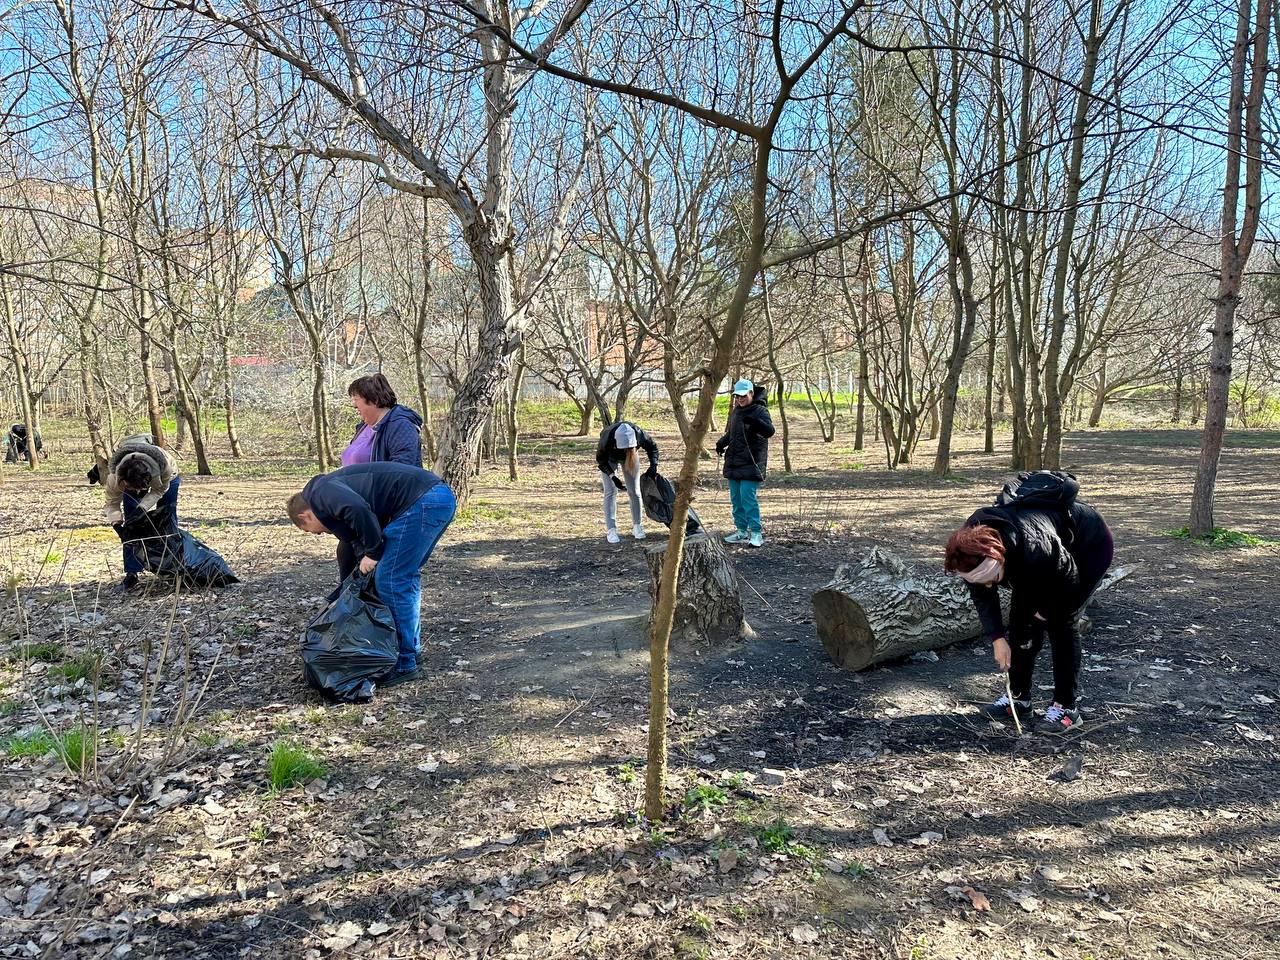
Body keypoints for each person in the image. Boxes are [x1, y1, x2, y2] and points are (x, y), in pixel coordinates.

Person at [943, 472, 1114, 734]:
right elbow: (982, 593)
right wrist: (997, 637)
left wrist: (1048, 610)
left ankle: (1066, 707)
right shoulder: (967, 553)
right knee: (1021, 623)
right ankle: (1019, 699)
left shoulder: (1036, 547)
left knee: (1061, 624)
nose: (989, 586)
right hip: (1030, 560)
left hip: (1088, 545)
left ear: (999, 558)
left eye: (992, 579)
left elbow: (1068, 577)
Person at [288, 461, 456, 687]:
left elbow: (357, 509)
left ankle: (404, 663)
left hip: (423, 500)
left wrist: (374, 552)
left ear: (305, 516)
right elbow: (349, 548)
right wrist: (344, 593)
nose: (319, 534)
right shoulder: (331, 495)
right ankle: (411, 651)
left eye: (312, 532)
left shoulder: (320, 492)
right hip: (433, 499)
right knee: (402, 578)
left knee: (391, 580)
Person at [103, 434, 179, 592]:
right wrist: (118, 525)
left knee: (167, 519)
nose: (138, 492)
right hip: (135, 480)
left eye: (140, 489)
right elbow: (112, 503)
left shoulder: (165, 467)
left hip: (168, 480)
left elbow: (160, 490)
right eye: (133, 488)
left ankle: (173, 568)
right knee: (131, 526)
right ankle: (132, 573)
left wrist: (142, 508)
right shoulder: (114, 478)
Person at [715, 379, 775, 548]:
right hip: (734, 461)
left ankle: (756, 533)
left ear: (751, 394)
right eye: (737, 397)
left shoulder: (760, 411)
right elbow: (732, 432)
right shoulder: (736, 411)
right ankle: (741, 530)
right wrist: (721, 442)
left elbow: (769, 431)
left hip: (752, 462)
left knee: (748, 498)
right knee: (736, 499)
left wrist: (755, 422)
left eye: (743, 396)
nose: (740, 400)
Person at [341, 373, 424, 467]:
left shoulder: (401, 426)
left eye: (356, 399)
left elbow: (401, 471)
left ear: (375, 399)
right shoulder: (363, 427)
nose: (354, 406)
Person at [596, 421, 659, 543]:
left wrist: (653, 466)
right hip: (610, 458)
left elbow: (653, 448)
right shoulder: (607, 437)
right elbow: (601, 460)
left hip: (632, 456)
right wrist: (613, 476)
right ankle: (611, 529)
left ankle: (637, 526)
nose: (625, 450)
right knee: (610, 491)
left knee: (634, 491)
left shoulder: (639, 434)